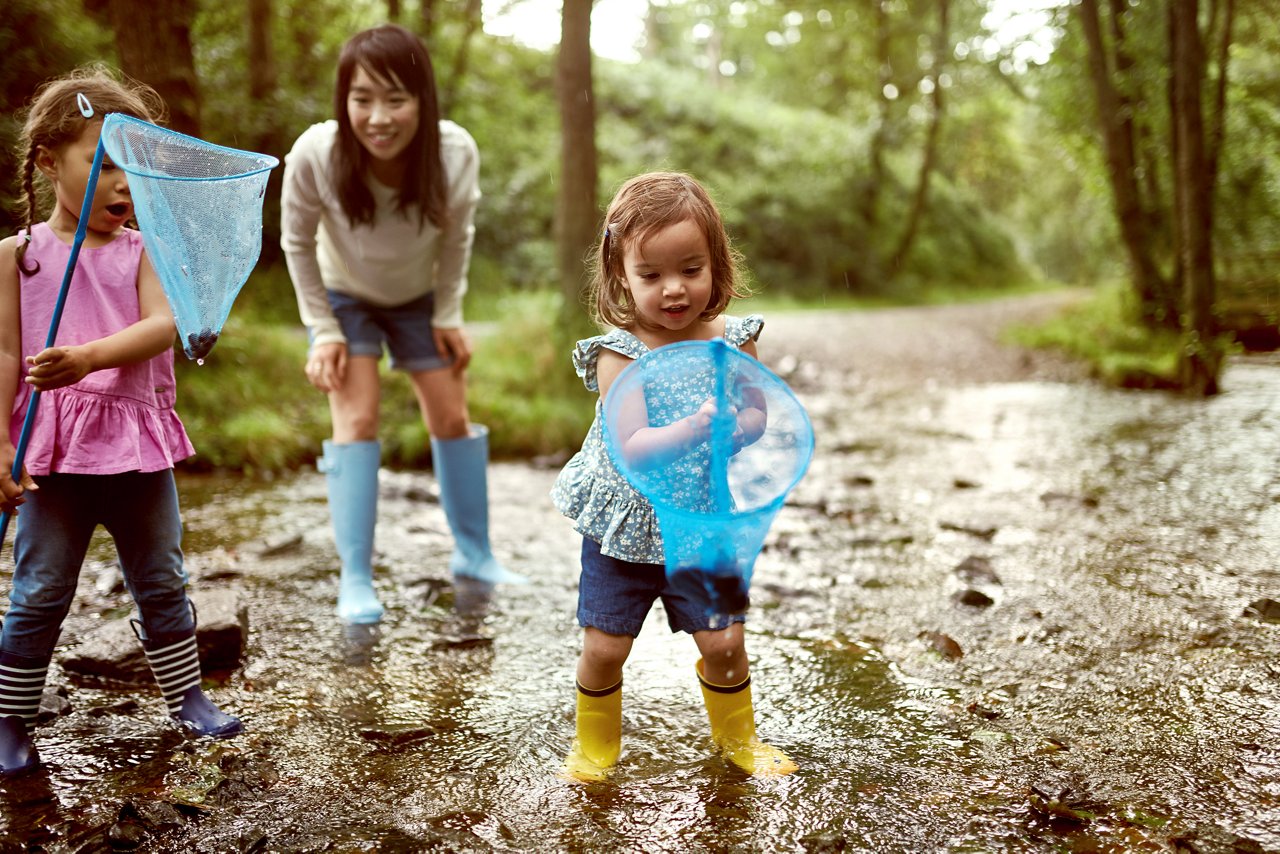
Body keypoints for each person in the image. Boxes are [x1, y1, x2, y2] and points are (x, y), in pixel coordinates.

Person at [0, 67, 242, 778]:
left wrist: (88, 358)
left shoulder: (147, 250)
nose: (120, 184)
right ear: (49, 162)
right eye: (101, 164)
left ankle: (186, 694)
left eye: (131, 168)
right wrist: (1, 441)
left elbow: (164, 326)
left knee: (161, 576)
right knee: (40, 586)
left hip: (135, 448)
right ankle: (11, 718)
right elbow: (7, 352)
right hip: (53, 455)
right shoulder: (18, 259)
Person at [550, 172, 796, 782]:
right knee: (605, 649)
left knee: (725, 643)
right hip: (627, 529)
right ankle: (595, 746)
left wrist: (740, 428)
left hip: (702, 519)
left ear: (716, 263)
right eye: (651, 275)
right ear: (621, 277)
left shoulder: (734, 342)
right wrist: (693, 430)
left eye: (690, 268)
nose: (673, 289)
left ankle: (738, 740)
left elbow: (758, 413)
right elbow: (632, 446)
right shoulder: (619, 354)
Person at [281, 23, 523, 627]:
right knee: (357, 417)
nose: (379, 116)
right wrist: (324, 330)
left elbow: (456, 241)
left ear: (423, 99)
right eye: (362, 99)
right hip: (344, 297)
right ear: (345, 101)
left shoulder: (454, 153)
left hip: (419, 298)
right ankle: (356, 578)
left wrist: (447, 313)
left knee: (451, 415)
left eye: (396, 98)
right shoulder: (315, 152)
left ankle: (474, 555)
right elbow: (296, 243)